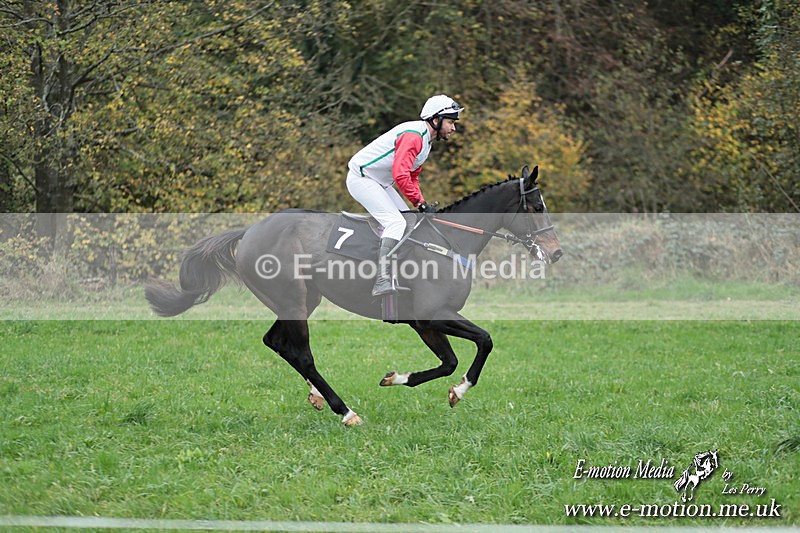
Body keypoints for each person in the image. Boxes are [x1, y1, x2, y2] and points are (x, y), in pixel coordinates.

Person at [346, 94, 464, 296]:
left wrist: (422, 204)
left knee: (410, 222)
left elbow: (412, 177)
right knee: (397, 223)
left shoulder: (426, 142)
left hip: (379, 182)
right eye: (451, 122)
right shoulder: (414, 137)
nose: (453, 128)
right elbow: (400, 175)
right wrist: (420, 203)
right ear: (436, 120)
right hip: (362, 179)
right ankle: (382, 280)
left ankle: (399, 274)